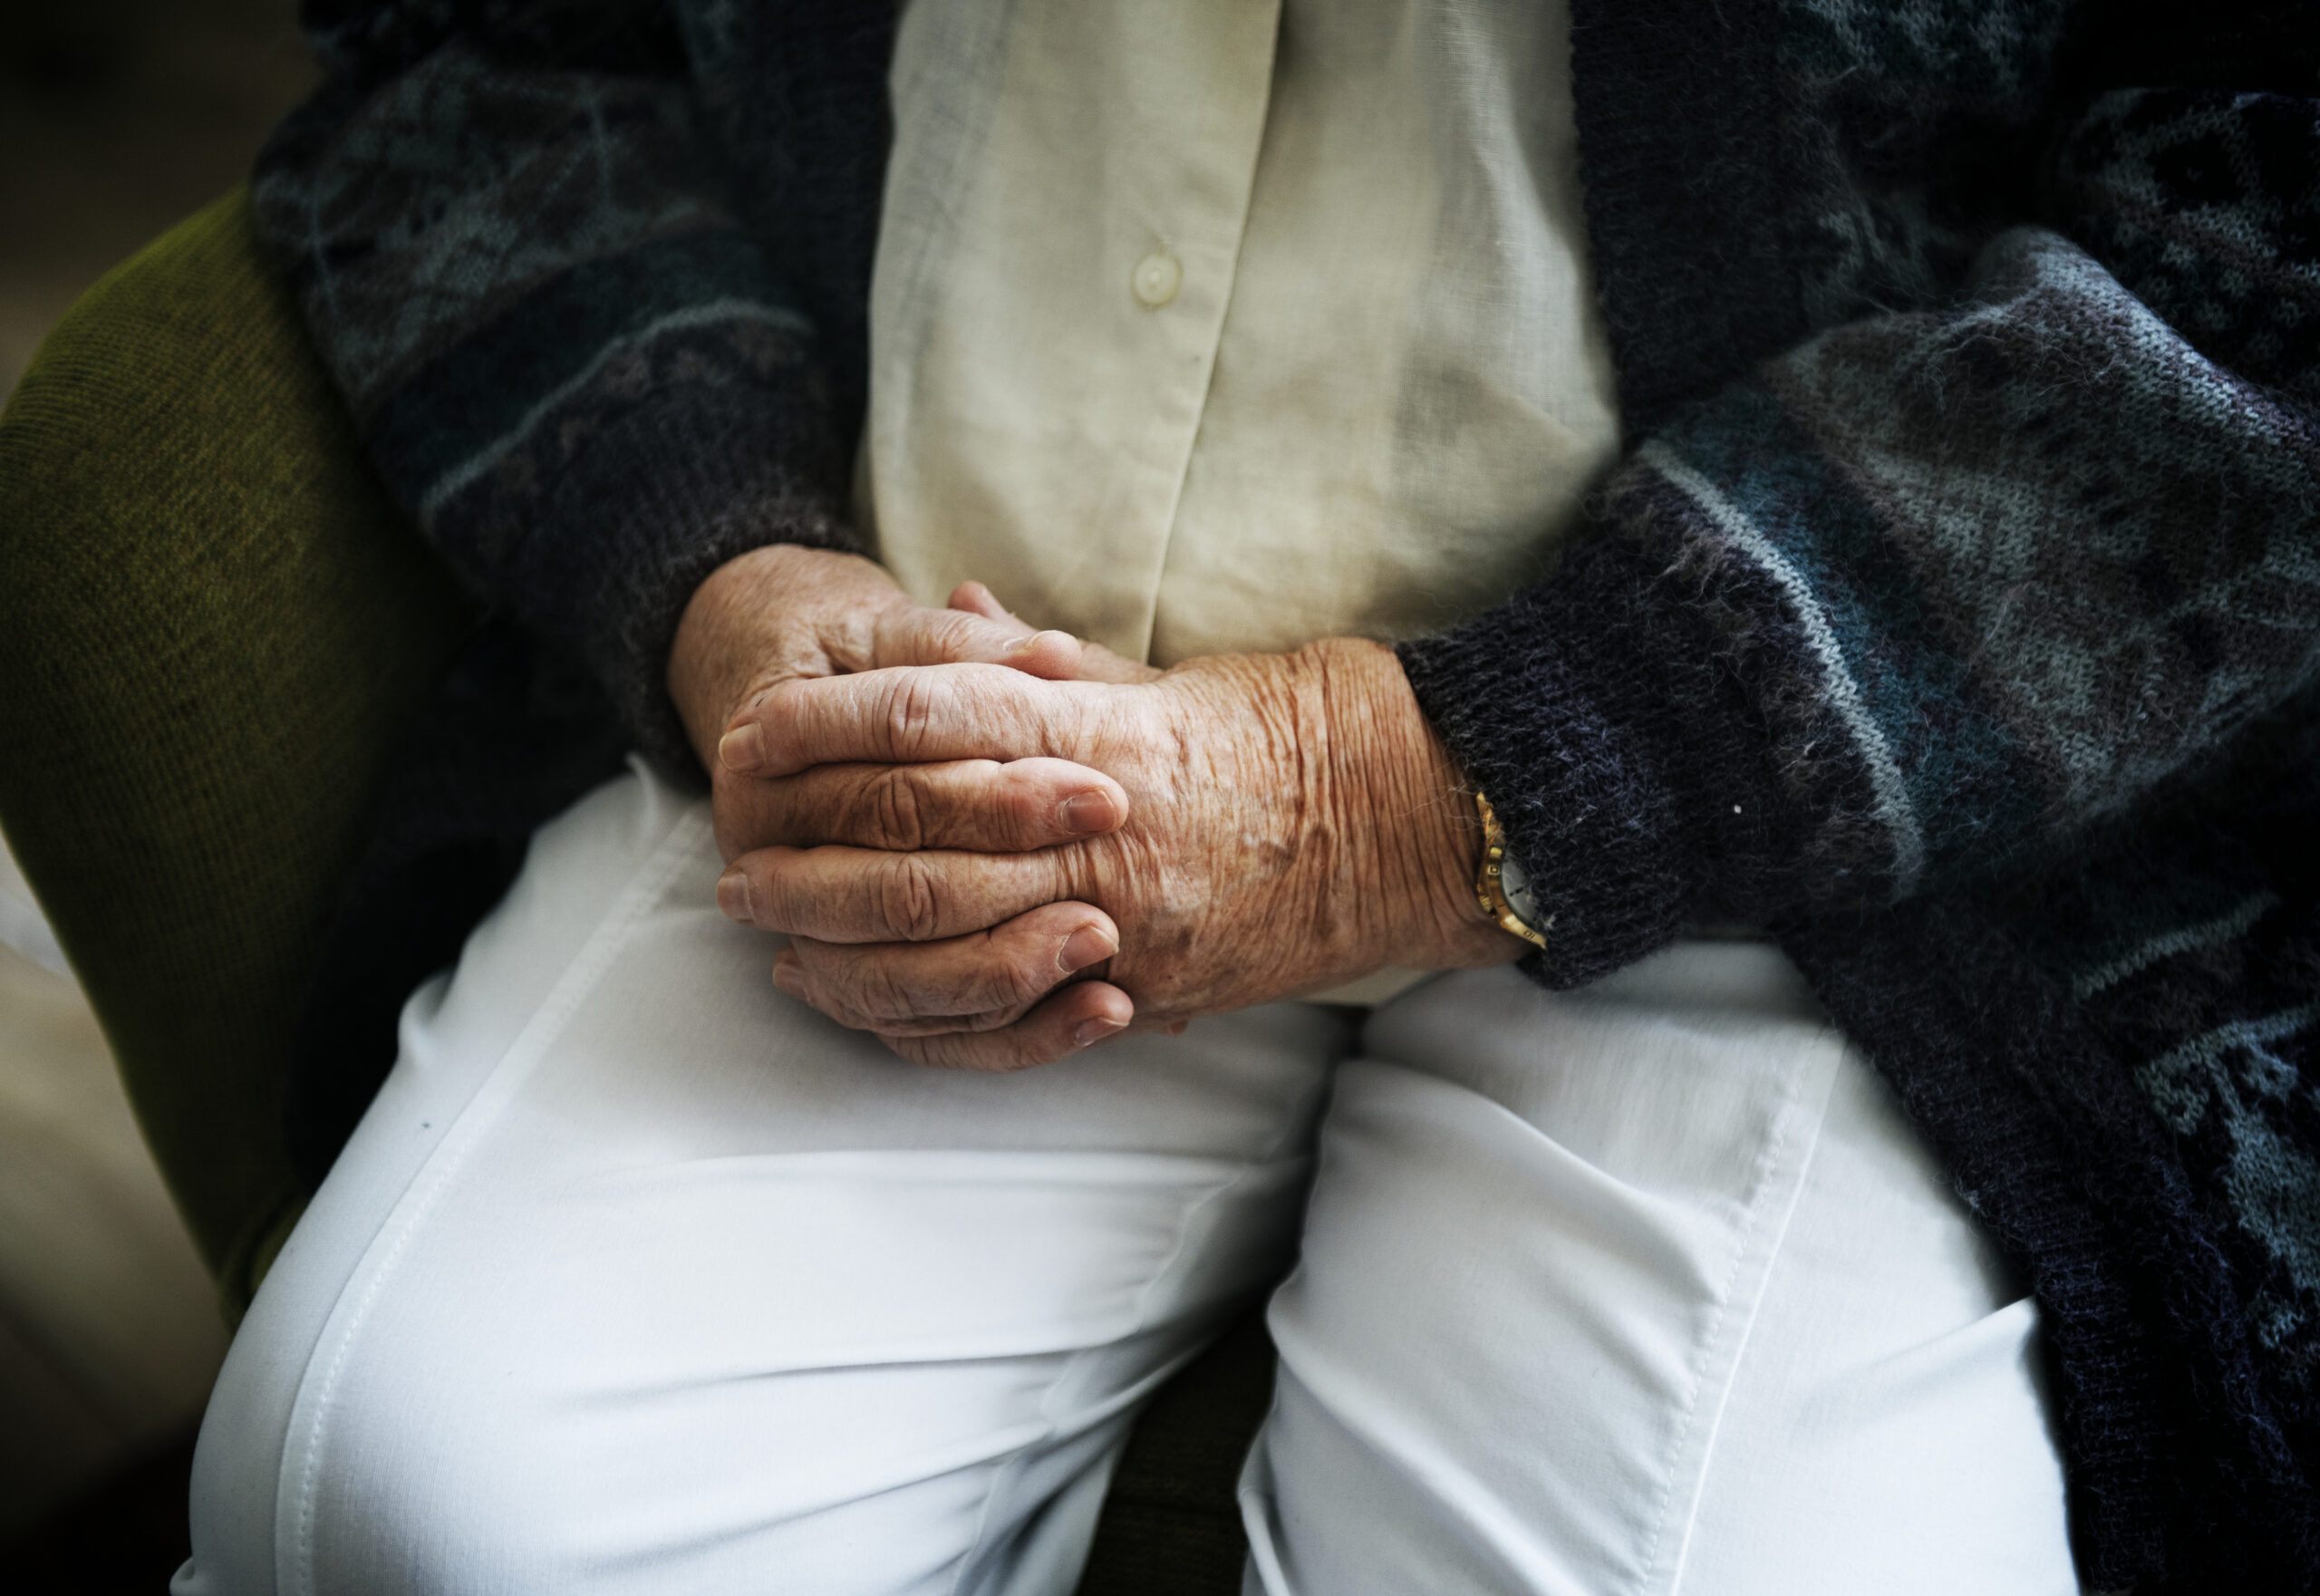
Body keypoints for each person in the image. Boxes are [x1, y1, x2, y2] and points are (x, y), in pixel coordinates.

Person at [178, 0, 2317, 1591]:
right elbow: (475, 57)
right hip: (943, 642)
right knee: (412, 1501)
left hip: (1825, 822)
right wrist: (710, 551)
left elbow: (2259, 295)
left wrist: (1404, 789)